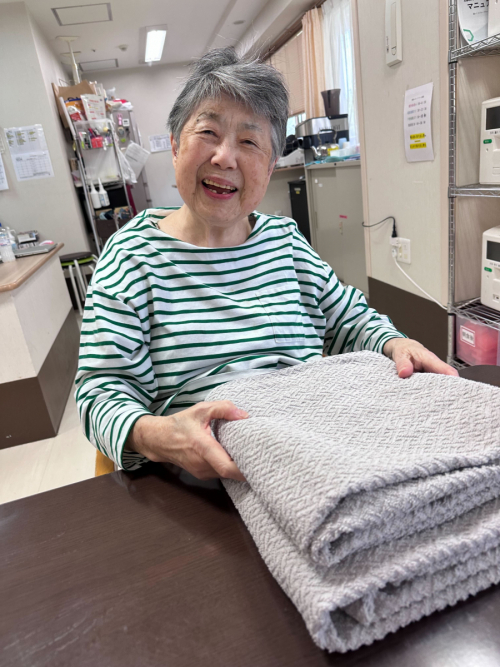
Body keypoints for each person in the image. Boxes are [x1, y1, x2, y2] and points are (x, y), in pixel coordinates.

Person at [75, 47, 457, 482]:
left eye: (249, 142)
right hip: (204, 478)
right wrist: (159, 435)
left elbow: (348, 320)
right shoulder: (130, 257)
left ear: (271, 165)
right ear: (176, 145)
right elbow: (101, 393)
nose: (224, 157)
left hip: (315, 447)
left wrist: (395, 344)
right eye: (208, 132)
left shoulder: (284, 240)